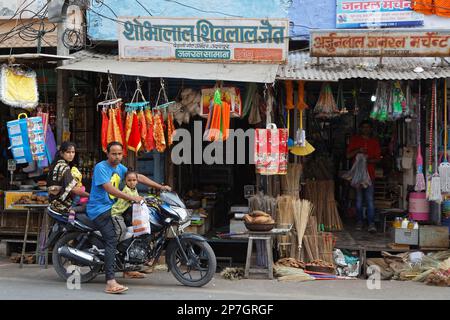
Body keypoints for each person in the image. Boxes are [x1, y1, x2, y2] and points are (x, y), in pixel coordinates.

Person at [87, 141, 172, 294]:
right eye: (114, 153)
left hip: (116, 208)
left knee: (136, 229)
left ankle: (127, 268)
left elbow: (138, 177)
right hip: (99, 210)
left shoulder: (120, 168)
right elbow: (109, 189)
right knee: (111, 239)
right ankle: (110, 282)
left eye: (119, 154)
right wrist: (131, 198)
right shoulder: (101, 167)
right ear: (107, 154)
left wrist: (160, 187)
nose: (117, 157)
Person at [346, 120, 381, 233]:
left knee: (370, 200)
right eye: (364, 127)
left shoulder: (374, 142)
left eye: (368, 127)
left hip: (369, 176)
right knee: (359, 200)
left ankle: (371, 223)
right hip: (357, 176)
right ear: (360, 129)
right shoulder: (355, 140)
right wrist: (358, 151)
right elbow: (348, 155)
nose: (366, 129)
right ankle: (359, 222)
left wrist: (367, 160)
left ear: (370, 129)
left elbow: (378, 158)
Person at [111, 170, 146, 279]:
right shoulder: (126, 190)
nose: (132, 182)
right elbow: (134, 199)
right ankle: (112, 248)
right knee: (122, 231)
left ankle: (128, 267)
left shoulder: (134, 189)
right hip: (116, 214)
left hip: (125, 214)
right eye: (129, 180)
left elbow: (137, 198)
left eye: (134, 180)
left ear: (137, 181)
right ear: (125, 181)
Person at [47, 142, 90, 214]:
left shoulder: (56, 164)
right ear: (61, 153)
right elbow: (73, 189)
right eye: (68, 152)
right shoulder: (64, 167)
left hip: (52, 201)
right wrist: (90, 195)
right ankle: (71, 223)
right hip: (61, 204)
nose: (71, 155)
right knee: (88, 207)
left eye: (73, 152)